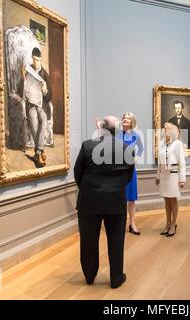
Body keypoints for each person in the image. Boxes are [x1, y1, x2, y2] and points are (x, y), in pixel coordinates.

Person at [74, 116, 135, 289]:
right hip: (116, 202)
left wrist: (88, 189)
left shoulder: (88, 145)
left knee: (88, 241)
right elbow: (128, 177)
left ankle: (89, 276)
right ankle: (116, 278)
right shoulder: (127, 149)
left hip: (89, 202)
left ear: (101, 127)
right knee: (116, 241)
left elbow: (77, 172)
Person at [22, 47, 52, 168]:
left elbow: (50, 96)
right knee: (33, 121)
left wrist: (45, 91)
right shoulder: (28, 70)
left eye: (38, 60)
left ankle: (38, 152)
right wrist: (23, 77)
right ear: (32, 58)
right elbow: (22, 90)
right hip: (31, 104)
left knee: (43, 119)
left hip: (42, 105)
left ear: (41, 59)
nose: (36, 62)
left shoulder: (45, 74)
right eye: (34, 59)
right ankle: (40, 151)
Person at [156, 123, 186, 237]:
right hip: (164, 176)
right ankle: (167, 223)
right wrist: (157, 176)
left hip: (173, 176)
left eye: (166, 129)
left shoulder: (178, 144)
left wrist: (182, 179)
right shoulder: (162, 143)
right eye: (164, 129)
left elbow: (182, 162)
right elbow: (159, 162)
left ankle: (173, 224)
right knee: (166, 200)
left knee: (173, 200)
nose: (164, 131)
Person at [119, 112, 144, 235]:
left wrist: (136, 159)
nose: (125, 119)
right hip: (118, 170)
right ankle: (119, 224)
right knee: (120, 198)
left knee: (131, 199)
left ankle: (132, 223)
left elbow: (141, 148)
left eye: (128, 118)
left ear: (132, 121)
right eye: (124, 117)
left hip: (130, 169)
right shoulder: (116, 135)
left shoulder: (135, 135)